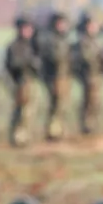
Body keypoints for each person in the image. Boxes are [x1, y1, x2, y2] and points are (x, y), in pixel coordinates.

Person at [5, 16, 42, 147]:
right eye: (26, 28)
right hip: (21, 82)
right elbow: (13, 65)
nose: (28, 31)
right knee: (21, 111)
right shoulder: (15, 46)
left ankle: (25, 135)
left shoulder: (31, 45)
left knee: (30, 111)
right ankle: (18, 136)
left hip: (31, 82)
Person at [40, 12, 73, 141]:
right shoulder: (49, 39)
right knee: (55, 105)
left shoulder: (64, 39)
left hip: (64, 77)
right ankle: (53, 131)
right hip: (54, 77)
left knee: (63, 105)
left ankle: (60, 130)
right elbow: (52, 58)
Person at [73, 15, 103, 135]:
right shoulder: (84, 41)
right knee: (88, 101)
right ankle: (86, 125)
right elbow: (86, 57)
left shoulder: (99, 41)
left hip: (98, 75)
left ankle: (93, 124)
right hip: (88, 75)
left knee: (96, 101)